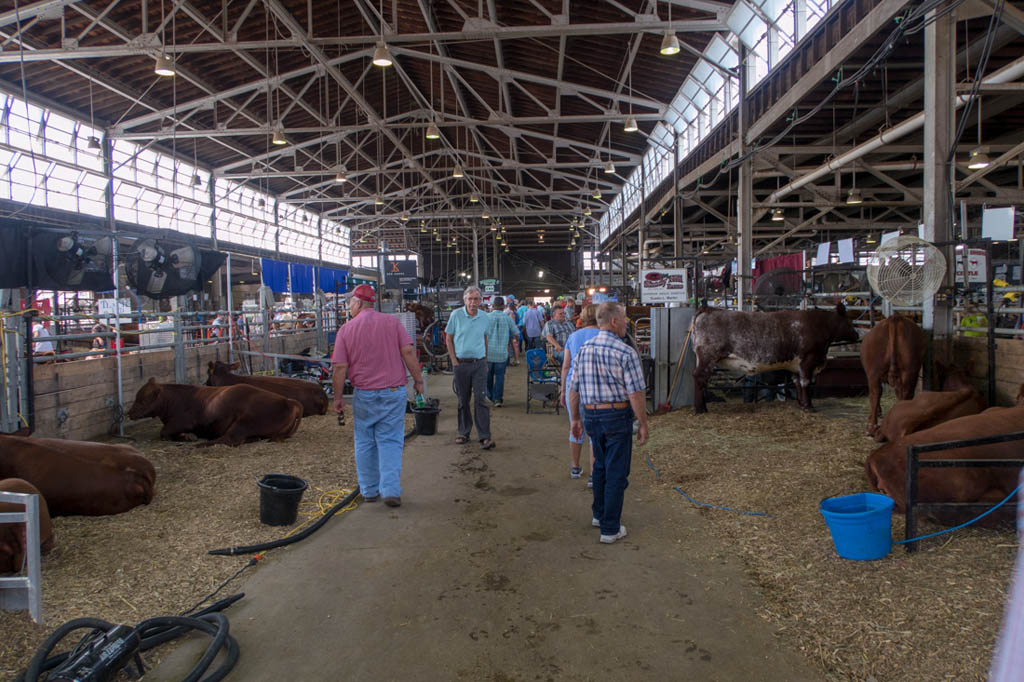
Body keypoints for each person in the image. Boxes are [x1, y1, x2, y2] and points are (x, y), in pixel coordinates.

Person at [332, 284, 423, 507]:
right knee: (390, 441)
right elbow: (408, 352)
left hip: (364, 394)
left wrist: (337, 398)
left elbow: (339, 368)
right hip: (393, 392)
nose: (349, 307)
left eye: (350, 303)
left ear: (357, 302)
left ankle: (369, 491)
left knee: (364, 442)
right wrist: (418, 381)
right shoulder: (392, 323)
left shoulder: (346, 330)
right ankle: (390, 490)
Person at [568, 301, 649, 545]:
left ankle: (599, 514)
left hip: (592, 415)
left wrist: (575, 418)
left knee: (601, 466)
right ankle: (610, 528)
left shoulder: (584, 349)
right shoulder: (625, 352)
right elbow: (635, 393)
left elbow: (573, 388)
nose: (626, 323)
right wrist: (643, 423)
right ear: (614, 321)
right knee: (616, 470)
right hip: (616, 415)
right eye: (624, 318)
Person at [445, 286, 495, 449]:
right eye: (470, 299)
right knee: (463, 400)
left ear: (481, 301)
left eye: (476, 299)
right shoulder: (456, 315)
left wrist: (485, 360)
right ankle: (463, 432)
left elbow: (485, 338)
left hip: (479, 364)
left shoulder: (485, 317)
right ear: (464, 300)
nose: (473, 302)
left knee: (481, 400)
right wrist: (453, 359)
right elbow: (448, 338)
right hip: (461, 364)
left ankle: (484, 436)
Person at [561, 304, 601, 484]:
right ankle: (594, 475)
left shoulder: (573, 336)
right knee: (595, 431)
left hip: (573, 385)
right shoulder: (604, 335)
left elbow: (566, 365)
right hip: (597, 386)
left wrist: (563, 390)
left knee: (575, 425)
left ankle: (575, 468)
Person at [485, 297, 520, 408]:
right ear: (504, 306)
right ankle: (497, 399)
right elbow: (516, 333)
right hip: (502, 354)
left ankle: (490, 395)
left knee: (488, 376)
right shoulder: (508, 318)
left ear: (493, 306)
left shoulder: (486, 317)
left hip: (488, 354)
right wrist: (516, 341)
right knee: (500, 377)